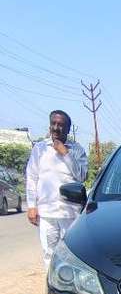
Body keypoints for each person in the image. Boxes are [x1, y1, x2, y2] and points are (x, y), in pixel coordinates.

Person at [26, 110, 88, 268]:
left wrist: (65, 153)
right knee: (49, 254)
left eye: (60, 125)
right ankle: (52, 290)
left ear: (68, 129)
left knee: (73, 254)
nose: (56, 127)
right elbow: (32, 178)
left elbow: (82, 176)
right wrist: (32, 206)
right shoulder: (39, 149)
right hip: (46, 213)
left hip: (70, 212)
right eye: (53, 123)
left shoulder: (77, 150)